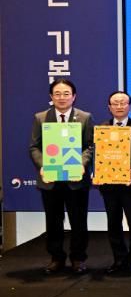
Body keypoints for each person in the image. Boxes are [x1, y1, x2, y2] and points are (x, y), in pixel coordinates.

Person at [29, 78, 94, 274]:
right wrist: (43, 166)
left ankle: (78, 258)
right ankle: (56, 258)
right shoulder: (41, 118)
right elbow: (34, 147)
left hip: (76, 180)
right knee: (53, 221)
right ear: (51, 96)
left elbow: (90, 146)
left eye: (66, 93)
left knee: (78, 221)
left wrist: (81, 164)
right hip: (51, 179)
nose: (62, 97)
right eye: (57, 94)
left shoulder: (85, 117)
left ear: (74, 96)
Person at [98, 90, 131, 274]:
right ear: (109, 107)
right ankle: (118, 259)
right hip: (109, 186)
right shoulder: (102, 128)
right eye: (115, 103)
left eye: (123, 103)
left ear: (130, 106)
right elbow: (97, 154)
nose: (119, 106)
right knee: (113, 223)